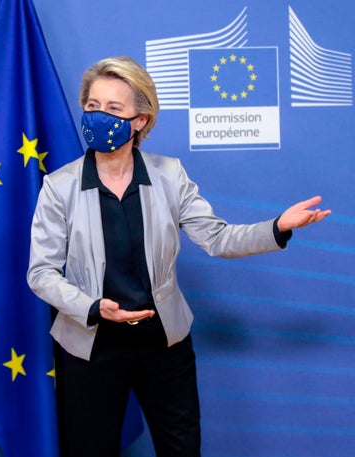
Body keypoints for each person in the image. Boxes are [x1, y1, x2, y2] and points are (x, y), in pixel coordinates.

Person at [26, 56, 330, 457]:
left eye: (114, 109)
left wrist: (278, 227)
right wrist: (94, 307)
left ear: (141, 121)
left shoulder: (170, 175)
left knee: (182, 449)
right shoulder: (58, 186)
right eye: (92, 106)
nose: (98, 117)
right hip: (91, 347)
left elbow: (218, 238)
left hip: (164, 345)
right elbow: (42, 273)